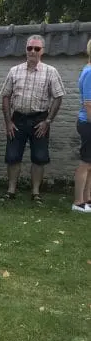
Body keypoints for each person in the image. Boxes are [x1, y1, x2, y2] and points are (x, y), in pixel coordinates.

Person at [0, 34, 65, 202]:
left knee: (39, 157)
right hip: (17, 120)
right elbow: (5, 96)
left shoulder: (51, 72)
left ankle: (35, 193)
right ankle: (11, 191)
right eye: (30, 48)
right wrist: (8, 122)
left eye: (37, 48)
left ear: (42, 51)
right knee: (13, 156)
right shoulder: (14, 71)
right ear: (26, 49)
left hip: (39, 120)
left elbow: (58, 97)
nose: (33, 51)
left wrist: (48, 121)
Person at [73, 38, 91, 213]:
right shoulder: (90, 72)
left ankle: (88, 199)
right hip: (88, 123)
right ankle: (78, 202)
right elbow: (88, 103)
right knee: (85, 163)